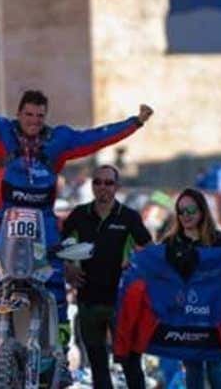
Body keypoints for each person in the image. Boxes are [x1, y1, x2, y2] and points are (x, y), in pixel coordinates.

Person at [0, 44, 152, 357]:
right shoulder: (2, 133)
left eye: (40, 115)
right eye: (29, 114)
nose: (34, 120)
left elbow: (95, 137)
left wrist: (134, 123)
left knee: (53, 284)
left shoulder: (59, 141)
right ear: (19, 114)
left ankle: (60, 351)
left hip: (44, 227)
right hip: (7, 228)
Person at [60, 164, 151, 389]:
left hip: (120, 302)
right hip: (88, 300)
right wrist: (68, 267)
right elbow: (58, 247)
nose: (103, 187)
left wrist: (135, 264)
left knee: (130, 364)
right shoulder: (80, 214)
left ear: (117, 187)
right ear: (92, 186)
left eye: (108, 183)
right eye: (98, 182)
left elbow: (150, 251)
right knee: (98, 368)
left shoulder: (129, 217)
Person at [163, 188, 221, 389]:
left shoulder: (219, 240)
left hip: (215, 314)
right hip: (186, 314)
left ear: (202, 211)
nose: (185, 215)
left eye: (191, 210)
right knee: (193, 369)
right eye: (181, 211)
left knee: (216, 367)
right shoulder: (170, 242)